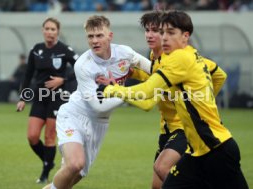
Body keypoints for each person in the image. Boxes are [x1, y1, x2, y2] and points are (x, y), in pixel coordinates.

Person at [98, 10, 248, 189]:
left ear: (185, 36)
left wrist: (110, 90)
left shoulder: (178, 59)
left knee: (162, 170)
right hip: (196, 150)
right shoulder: (177, 56)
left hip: (214, 146)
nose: (162, 37)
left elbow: (147, 94)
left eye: (169, 32)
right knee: (159, 185)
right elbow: (217, 75)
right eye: (160, 32)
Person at [43, 15, 152, 189]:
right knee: (74, 164)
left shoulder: (124, 53)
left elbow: (151, 68)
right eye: (90, 36)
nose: (94, 40)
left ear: (110, 36)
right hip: (74, 115)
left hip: (99, 124)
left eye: (99, 35)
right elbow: (98, 106)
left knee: (75, 176)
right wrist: (128, 93)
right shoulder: (83, 65)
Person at [16, 17, 79, 184]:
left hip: (57, 98)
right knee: (32, 136)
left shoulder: (64, 50)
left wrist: (63, 80)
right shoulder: (36, 50)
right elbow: (28, 74)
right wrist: (23, 97)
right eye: (47, 29)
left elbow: (80, 68)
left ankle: (45, 173)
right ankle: (49, 161)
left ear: (58, 31)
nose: (50, 32)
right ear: (43, 30)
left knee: (50, 136)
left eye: (53, 29)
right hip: (39, 97)